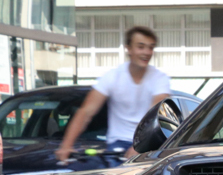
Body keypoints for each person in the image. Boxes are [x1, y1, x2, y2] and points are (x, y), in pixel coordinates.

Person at [57, 26, 170, 164]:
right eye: (141, 47)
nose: (147, 52)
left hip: (149, 144)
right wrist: (66, 146)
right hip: (119, 144)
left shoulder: (160, 79)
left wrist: (140, 145)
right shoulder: (112, 77)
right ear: (128, 48)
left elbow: (156, 114)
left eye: (151, 47)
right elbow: (86, 112)